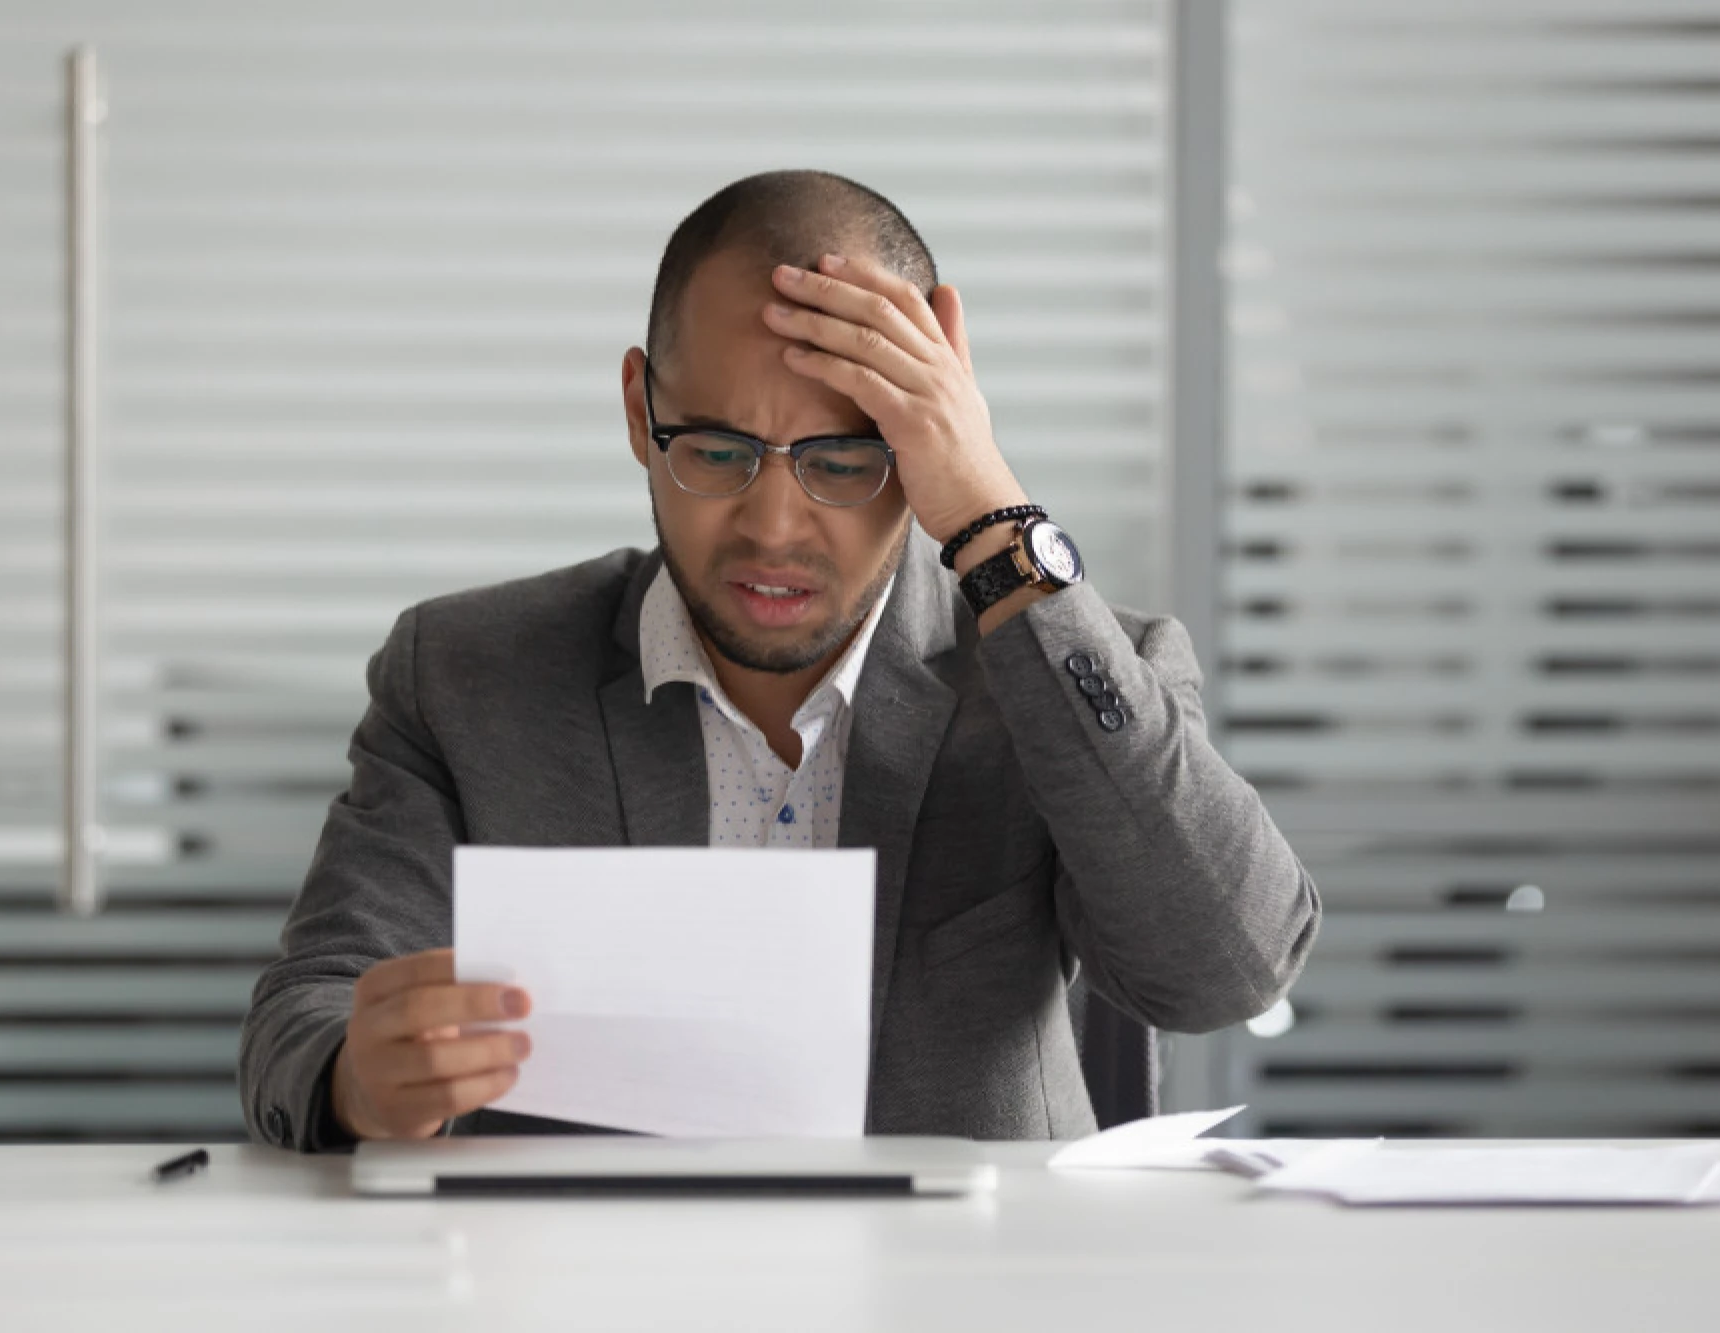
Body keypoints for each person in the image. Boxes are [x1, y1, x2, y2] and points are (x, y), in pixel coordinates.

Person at [239, 170, 1320, 1151]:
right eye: (714, 451)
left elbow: (1224, 966)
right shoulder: (468, 674)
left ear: (922, 439)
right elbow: (310, 1010)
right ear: (637, 410)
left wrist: (995, 522)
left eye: (842, 459)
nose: (771, 525)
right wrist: (355, 1077)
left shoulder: (1066, 666)